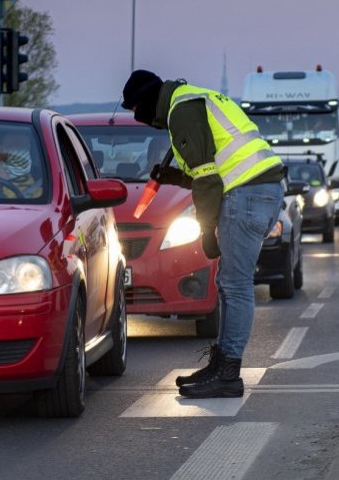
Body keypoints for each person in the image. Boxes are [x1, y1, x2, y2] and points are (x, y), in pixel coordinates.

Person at [121, 69, 284, 399]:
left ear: (148, 101)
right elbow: (210, 171)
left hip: (247, 194)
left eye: (136, 110)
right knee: (227, 283)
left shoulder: (181, 110)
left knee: (236, 286)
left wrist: (206, 229)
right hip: (257, 190)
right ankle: (220, 364)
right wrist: (175, 177)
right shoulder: (193, 99)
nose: (139, 118)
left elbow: (209, 180)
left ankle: (228, 374)